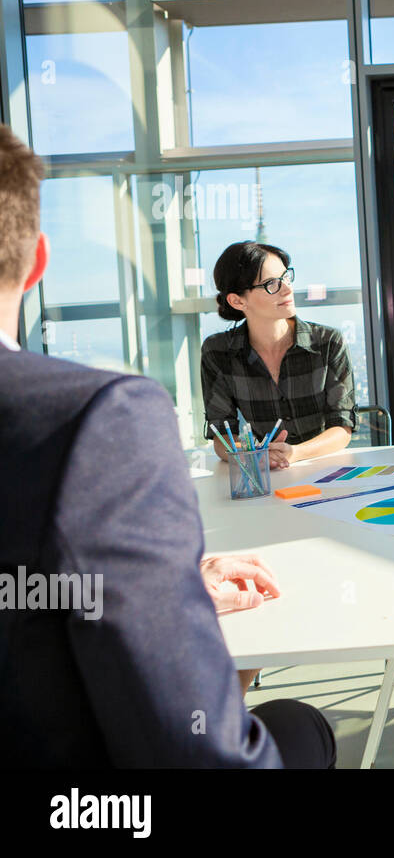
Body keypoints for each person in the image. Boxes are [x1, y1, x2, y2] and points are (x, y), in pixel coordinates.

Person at [0, 125, 335, 766]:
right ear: (38, 260)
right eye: (270, 282)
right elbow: (196, 749)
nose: (284, 289)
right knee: (299, 726)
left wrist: (157, 583)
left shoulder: (323, 341)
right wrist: (155, 592)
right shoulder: (93, 419)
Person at [201, 241, 356, 470]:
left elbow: (342, 429)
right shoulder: (219, 352)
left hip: (325, 469)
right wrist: (252, 454)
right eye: (271, 284)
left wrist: (294, 454)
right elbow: (222, 437)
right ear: (237, 300)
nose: (287, 289)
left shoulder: (328, 342)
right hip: (264, 474)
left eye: (286, 277)